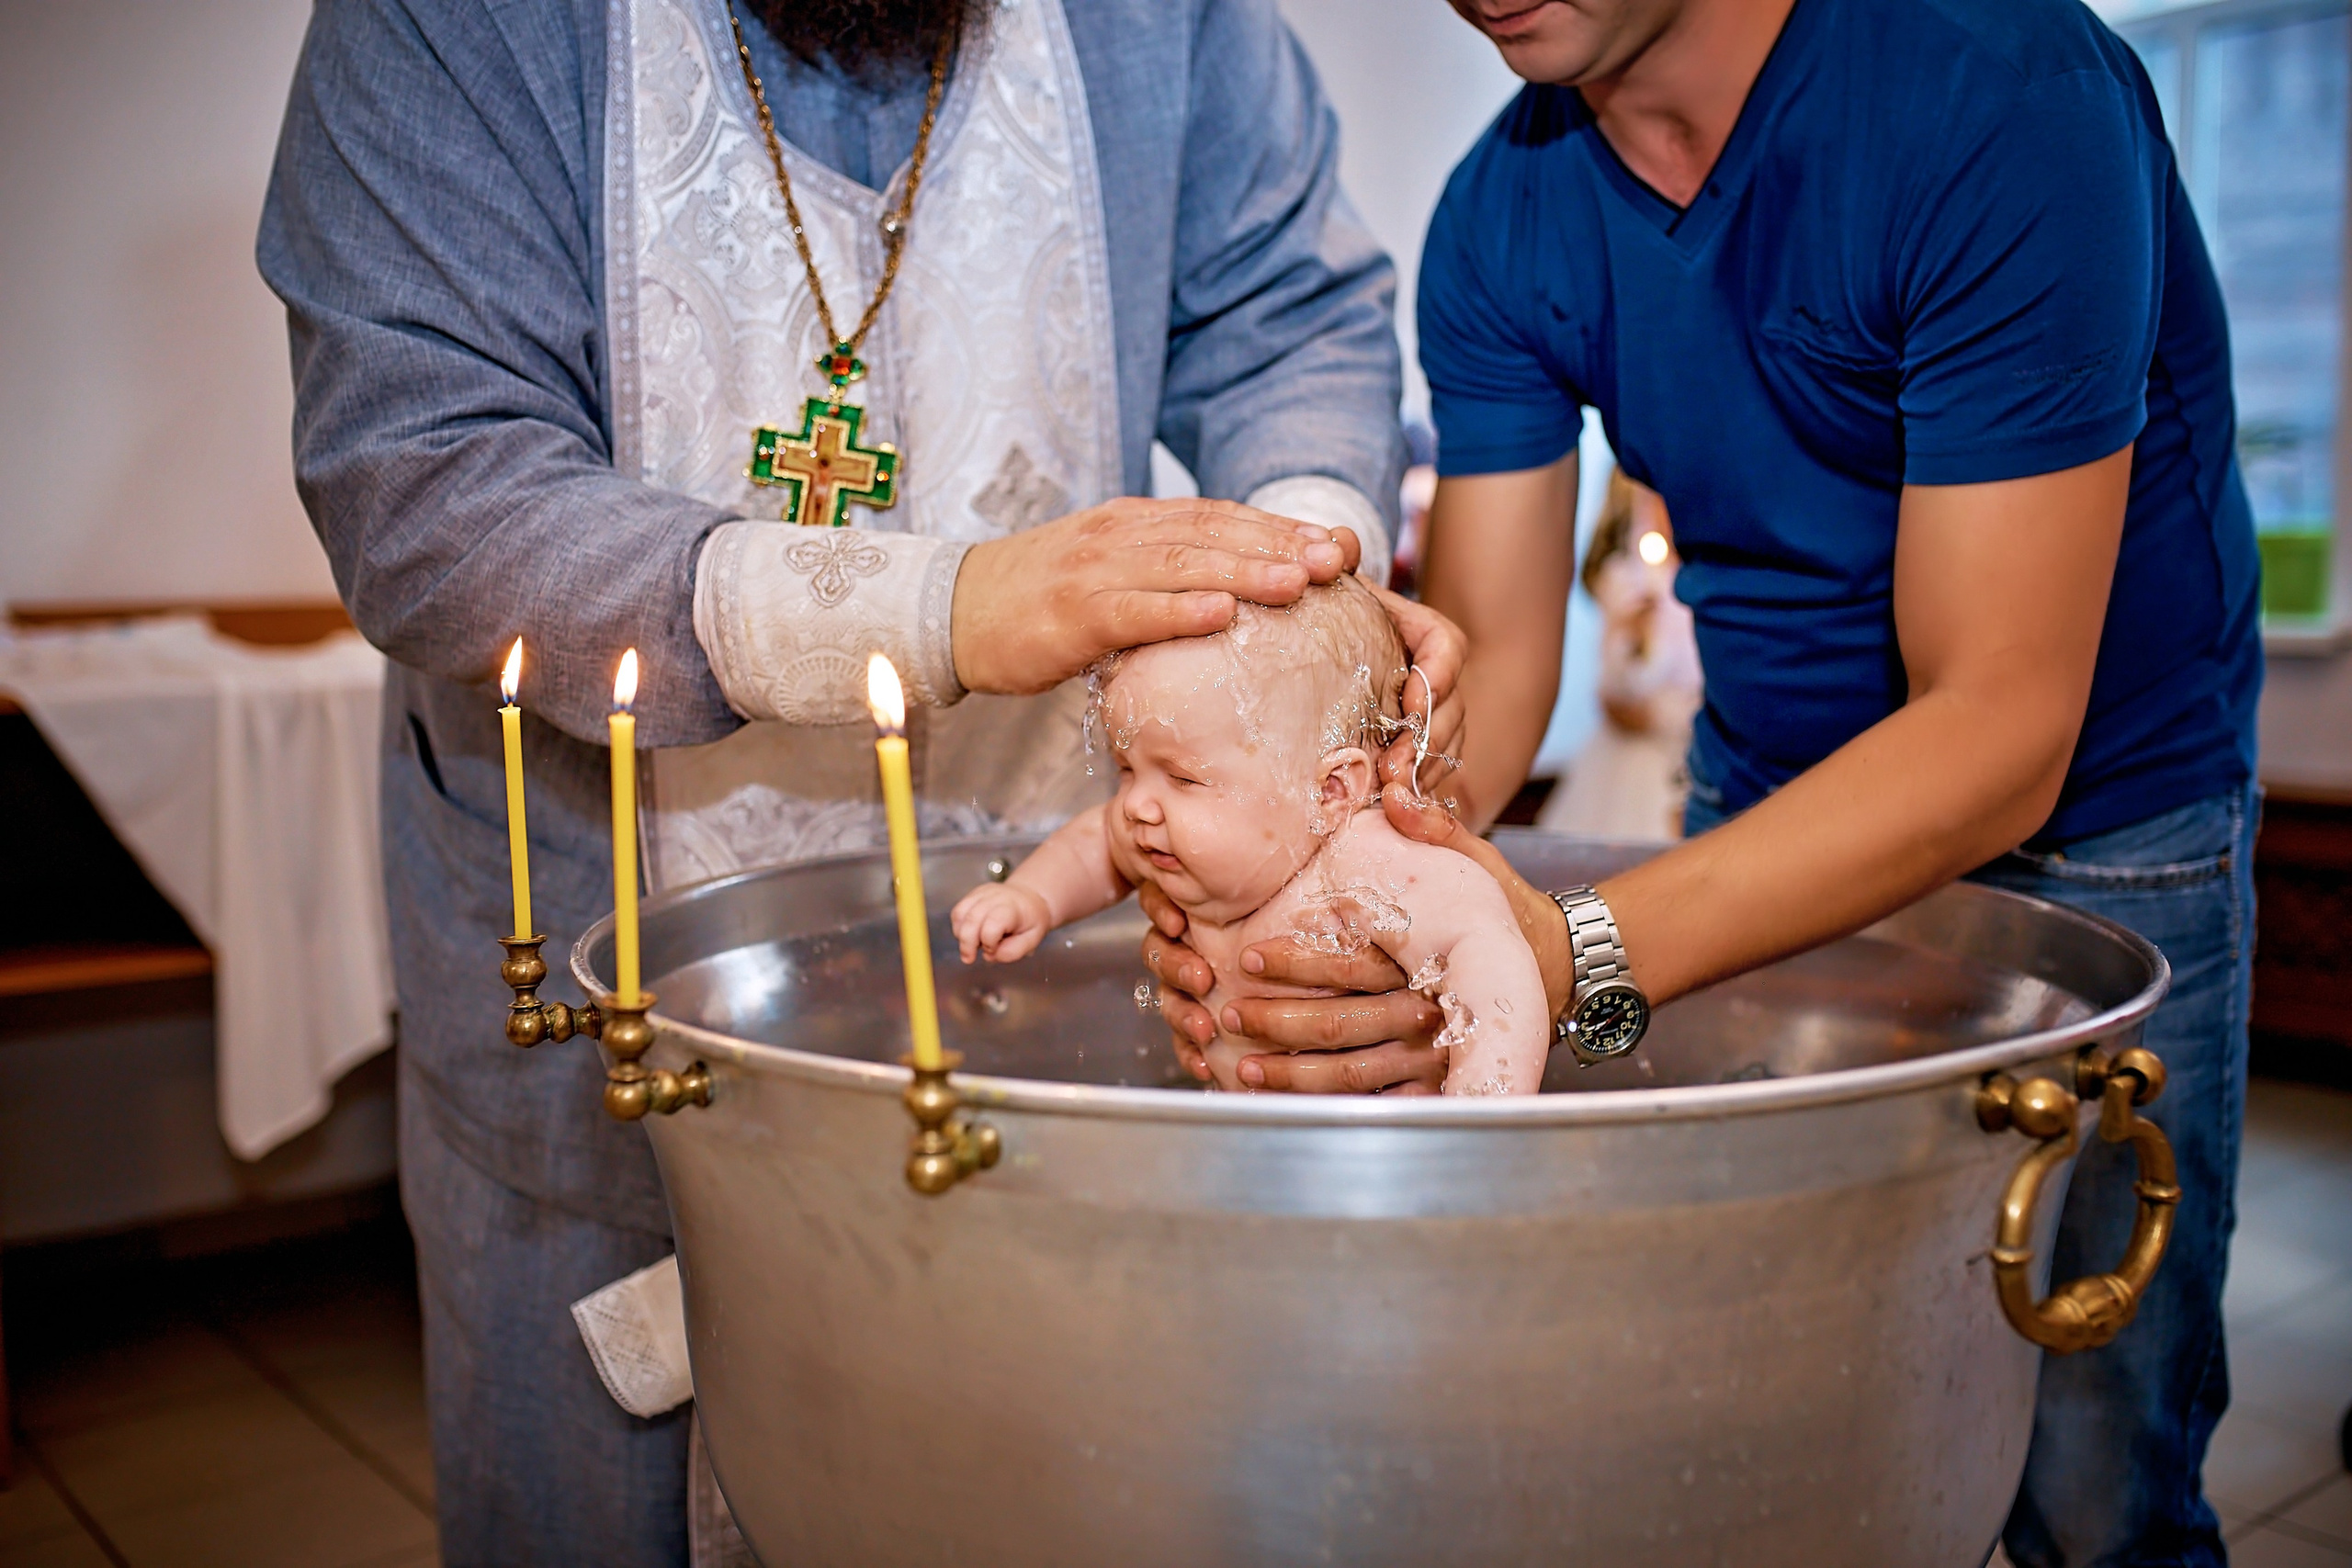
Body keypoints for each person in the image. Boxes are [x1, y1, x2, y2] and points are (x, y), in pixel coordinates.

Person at [257, 0, 1464, 1561]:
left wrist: (1304, 586)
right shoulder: (451, 26)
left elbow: (1290, 314)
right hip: (607, 964)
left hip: (1066, 991)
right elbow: (422, 471)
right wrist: (940, 611)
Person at [1145, 0, 2261, 1562]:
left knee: (2090, 1477)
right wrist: (1339, 873)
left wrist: (1564, 949)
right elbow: (1489, 680)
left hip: (2100, 830)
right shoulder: (1501, 216)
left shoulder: (2003, 92)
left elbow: (2001, 729)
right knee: (1799, 1415)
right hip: (1760, 796)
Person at [952, 577, 1546, 1095]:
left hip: (1386, 1152)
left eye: (1183, 776)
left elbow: (1489, 953)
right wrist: (1029, 897)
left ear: (1331, 792)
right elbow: (1095, 843)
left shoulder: (1363, 860)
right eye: (1126, 768)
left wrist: (1478, 1115)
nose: (1134, 804)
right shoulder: (1150, 826)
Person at [1536, 470, 1701, 840]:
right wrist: (1634, 635)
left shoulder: (1712, 583)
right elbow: (1616, 694)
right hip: (1638, 768)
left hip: (1700, 762)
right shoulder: (1626, 582)